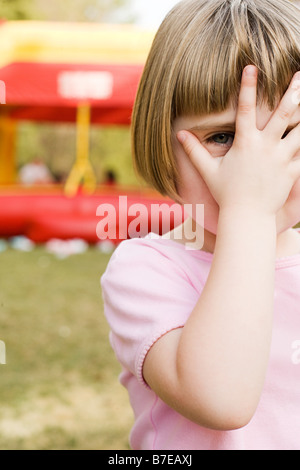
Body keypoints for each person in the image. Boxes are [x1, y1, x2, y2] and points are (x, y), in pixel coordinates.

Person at [101, 0, 300, 450]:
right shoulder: (146, 268)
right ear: (160, 140)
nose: (257, 165)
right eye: (224, 137)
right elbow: (222, 400)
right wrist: (246, 213)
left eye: (287, 134)